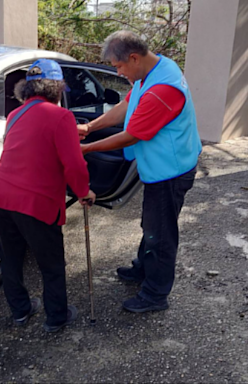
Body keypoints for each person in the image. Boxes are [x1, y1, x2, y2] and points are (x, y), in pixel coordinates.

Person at [78, 31, 202, 313]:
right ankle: (143, 268)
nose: (118, 72)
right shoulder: (155, 69)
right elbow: (125, 106)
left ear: (134, 57)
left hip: (170, 171)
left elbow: (131, 135)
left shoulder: (163, 89)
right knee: (152, 225)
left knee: (161, 232)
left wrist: (86, 149)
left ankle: (155, 294)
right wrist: (90, 127)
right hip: (165, 163)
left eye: (119, 66)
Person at [0, 59, 95, 333]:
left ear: (28, 88)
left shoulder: (15, 115)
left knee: (11, 258)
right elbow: (74, 165)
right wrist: (84, 192)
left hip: (1, 196)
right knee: (51, 263)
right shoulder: (61, 117)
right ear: (57, 87)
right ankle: (56, 316)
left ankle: (21, 311)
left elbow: (30, 145)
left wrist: (72, 133)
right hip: (35, 202)